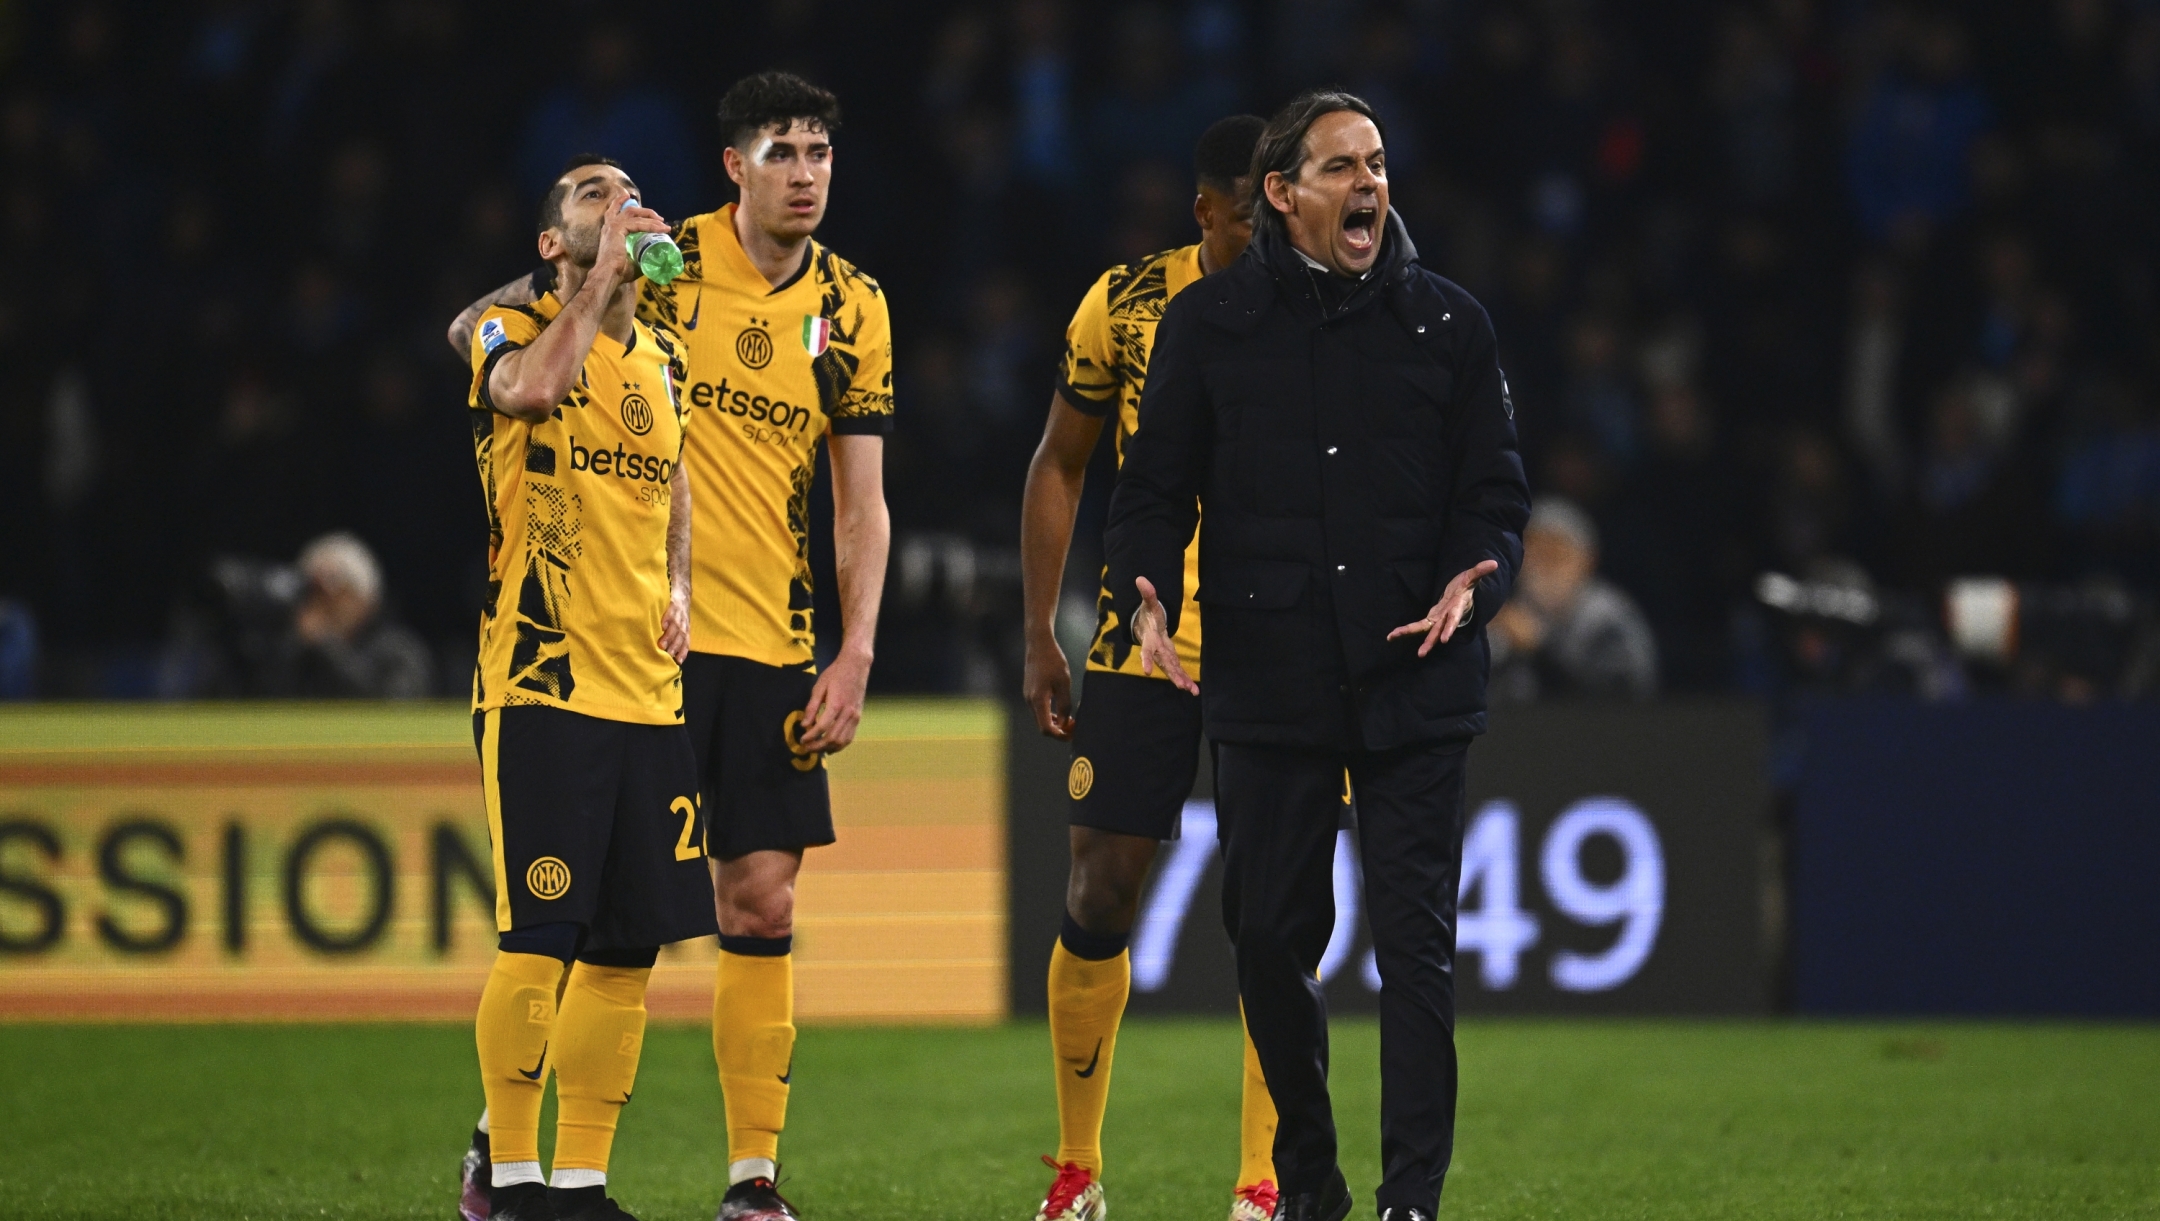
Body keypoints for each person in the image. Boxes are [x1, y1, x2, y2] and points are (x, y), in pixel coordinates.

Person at [452, 72, 891, 1221]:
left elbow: (860, 502)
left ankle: (750, 1181)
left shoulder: (855, 308)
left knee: (755, 908)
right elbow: (503, 322)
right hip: (623, 650)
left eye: (821, 152)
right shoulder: (665, 261)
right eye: (782, 152)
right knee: (572, 921)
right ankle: (507, 1152)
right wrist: (484, 324)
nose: (806, 173)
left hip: (764, 643)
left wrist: (854, 652)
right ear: (737, 166)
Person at [1104, 91, 1529, 1221]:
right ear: (1280, 194)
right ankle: (1312, 1187)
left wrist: (1476, 575)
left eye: (1378, 163)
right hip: (1270, 680)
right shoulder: (1207, 326)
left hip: (1418, 678)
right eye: (1342, 168)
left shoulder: (1451, 326)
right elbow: (1149, 494)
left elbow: (1497, 500)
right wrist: (1144, 591)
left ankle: (1411, 1203)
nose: (1370, 186)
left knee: (1417, 951)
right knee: (1268, 944)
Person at [1018, 114, 1280, 1221]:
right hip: (1143, 639)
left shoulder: (1334, 307)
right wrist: (1042, 630)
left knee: (1277, 913)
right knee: (1098, 890)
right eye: (1249, 213)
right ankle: (1078, 1171)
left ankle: (1265, 1185)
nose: (1271, 231)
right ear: (1207, 210)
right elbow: (1060, 463)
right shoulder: (1127, 304)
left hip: (1281, 642)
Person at [460, 155, 714, 1221]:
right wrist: (597, 280)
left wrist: (683, 585)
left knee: (627, 948)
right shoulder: (505, 336)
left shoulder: (661, 358)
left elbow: (678, 476)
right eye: (588, 196)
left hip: (647, 695)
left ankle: (580, 1184)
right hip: (542, 684)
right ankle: (509, 1176)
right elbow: (535, 393)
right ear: (549, 242)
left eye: (626, 192)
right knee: (542, 936)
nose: (618, 203)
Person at [1488, 498, 1658, 702]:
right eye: (1532, 554)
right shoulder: (1509, 616)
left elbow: (1620, 701)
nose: (1542, 566)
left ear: (1587, 560)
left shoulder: (1608, 618)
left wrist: (1538, 649)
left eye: (1555, 554)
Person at [274, 531, 433, 698]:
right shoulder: (296, 649)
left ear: (366, 598)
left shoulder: (399, 650)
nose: (323, 605)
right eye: (313, 594)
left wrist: (326, 644)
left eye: (337, 593)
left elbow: (395, 707)